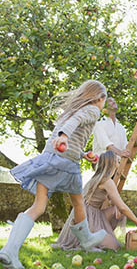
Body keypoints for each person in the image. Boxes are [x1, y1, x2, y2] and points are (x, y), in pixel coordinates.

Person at [0, 80, 108, 269]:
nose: (103, 105)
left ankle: (9, 251)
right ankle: (87, 240)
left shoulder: (71, 112)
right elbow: (74, 125)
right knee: (78, 201)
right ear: (100, 98)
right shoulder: (93, 110)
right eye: (103, 101)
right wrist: (64, 137)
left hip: (52, 158)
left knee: (39, 206)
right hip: (66, 164)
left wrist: (83, 153)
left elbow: (70, 134)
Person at [52, 150, 137, 251]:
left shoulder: (99, 178)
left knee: (116, 210)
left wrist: (116, 206)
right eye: (116, 159)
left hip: (92, 213)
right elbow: (122, 207)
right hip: (88, 217)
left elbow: (115, 204)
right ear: (112, 162)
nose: (118, 161)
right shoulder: (107, 181)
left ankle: (100, 235)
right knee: (114, 246)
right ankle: (87, 241)